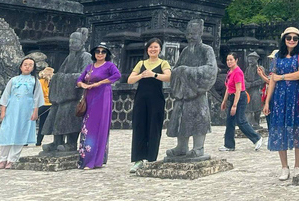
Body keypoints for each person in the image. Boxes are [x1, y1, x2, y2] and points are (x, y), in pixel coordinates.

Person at [166, 19, 218, 159]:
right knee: (181, 118)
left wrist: (187, 71)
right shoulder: (185, 51)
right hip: (184, 92)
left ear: (200, 33)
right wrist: (179, 72)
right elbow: (176, 69)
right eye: (188, 33)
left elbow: (211, 69)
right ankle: (181, 147)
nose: (190, 36)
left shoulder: (207, 50)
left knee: (199, 119)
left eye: (193, 33)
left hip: (198, 92)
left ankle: (198, 147)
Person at [263, 27, 299, 181]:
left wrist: (281, 77)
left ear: (298, 40)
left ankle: (297, 165)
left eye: (295, 38)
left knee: (298, 130)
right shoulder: (277, 56)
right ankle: (284, 166)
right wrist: (267, 101)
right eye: (288, 37)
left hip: (295, 96)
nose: (291, 40)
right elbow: (272, 80)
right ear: (283, 39)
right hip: (279, 98)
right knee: (279, 130)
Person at [127, 38, 171, 173]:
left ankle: (151, 158)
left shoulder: (163, 63)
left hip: (156, 99)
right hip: (141, 99)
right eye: (151, 47)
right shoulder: (141, 63)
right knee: (139, 126)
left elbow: (168, 77)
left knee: (154, 127)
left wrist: (154, 74)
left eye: (156, 47)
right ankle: (138, 159)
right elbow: (130, 80)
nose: (153, 49)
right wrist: (141, 75)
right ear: (147, 49)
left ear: (159, 49)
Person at [76, 42, 121, 169]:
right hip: (89, 96)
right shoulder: (89, 67)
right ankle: (86, 159)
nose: (100, 54)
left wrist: (99, 83)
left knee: (97, 126)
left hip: (102, 97)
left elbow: (117, 75)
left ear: (107, 54)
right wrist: (83, 85)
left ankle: (93, 161)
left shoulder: (109, 66)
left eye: (103, 52)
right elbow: (79, 79)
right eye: (98, 51)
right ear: (94, 54)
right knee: (87, 126)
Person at [0, 57, 44, 169]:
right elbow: (6, 95)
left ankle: (12, 159)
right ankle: (3, 159)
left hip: (26, 110)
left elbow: (37, 98)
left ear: (33, 68)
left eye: (30, 65)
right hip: (11, 109)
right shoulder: (13, 80)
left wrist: (35, 112)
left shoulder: (35, 81)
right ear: (20, 66)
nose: (27, 66)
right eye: (25, 64)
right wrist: (3, 110)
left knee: (21, 133)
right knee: (6, 133)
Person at [220, 52, 263, 152]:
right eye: (227, 60)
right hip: (232, 97)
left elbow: (238, 90)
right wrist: (224, 101)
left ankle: (256, 138)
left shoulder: (238, 72)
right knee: (230, 121)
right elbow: (228, 88)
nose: (229, 62)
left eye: (231, 60)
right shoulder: (230, 72)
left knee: (240, 120)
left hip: (239, 97)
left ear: (236, 60)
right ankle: (229, 145)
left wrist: (235, 105)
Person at [36, 66, 54, 146]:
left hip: (40, 104)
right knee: (42, 124)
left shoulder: (39, 82)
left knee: (32, 122)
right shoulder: (52, 82)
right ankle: (39, 141)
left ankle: (27, 141)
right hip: (49, 104)